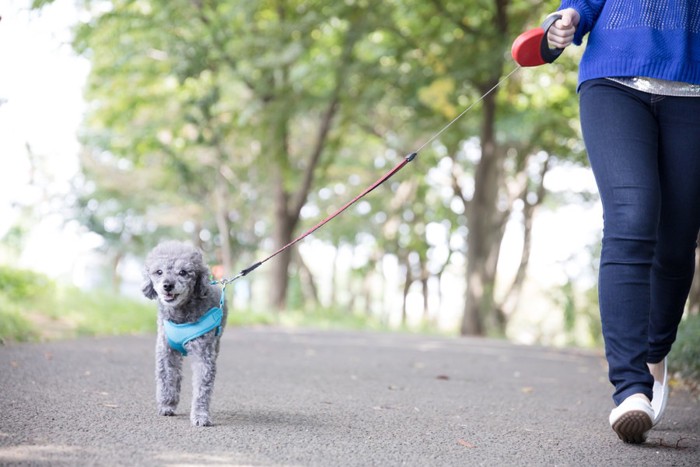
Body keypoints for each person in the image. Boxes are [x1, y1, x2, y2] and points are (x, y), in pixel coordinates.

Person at [545, 1, 700, 444]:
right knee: (631, 217)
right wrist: (568, 15)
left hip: (694, 89)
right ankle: (631, 389)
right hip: (614, 80)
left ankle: (654, 354)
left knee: (676, 241)